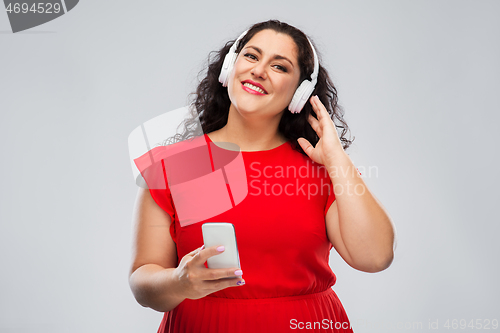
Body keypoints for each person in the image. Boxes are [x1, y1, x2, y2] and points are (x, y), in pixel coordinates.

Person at [129, 19, 396, 332]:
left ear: (300, 92)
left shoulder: (325, 171)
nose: (258, 70)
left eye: (279, 66)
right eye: (252, 56)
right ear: (230, 67)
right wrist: (180, 281)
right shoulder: (171, 167)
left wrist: (336, 158)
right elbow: (143, 280)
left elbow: (375, 258)